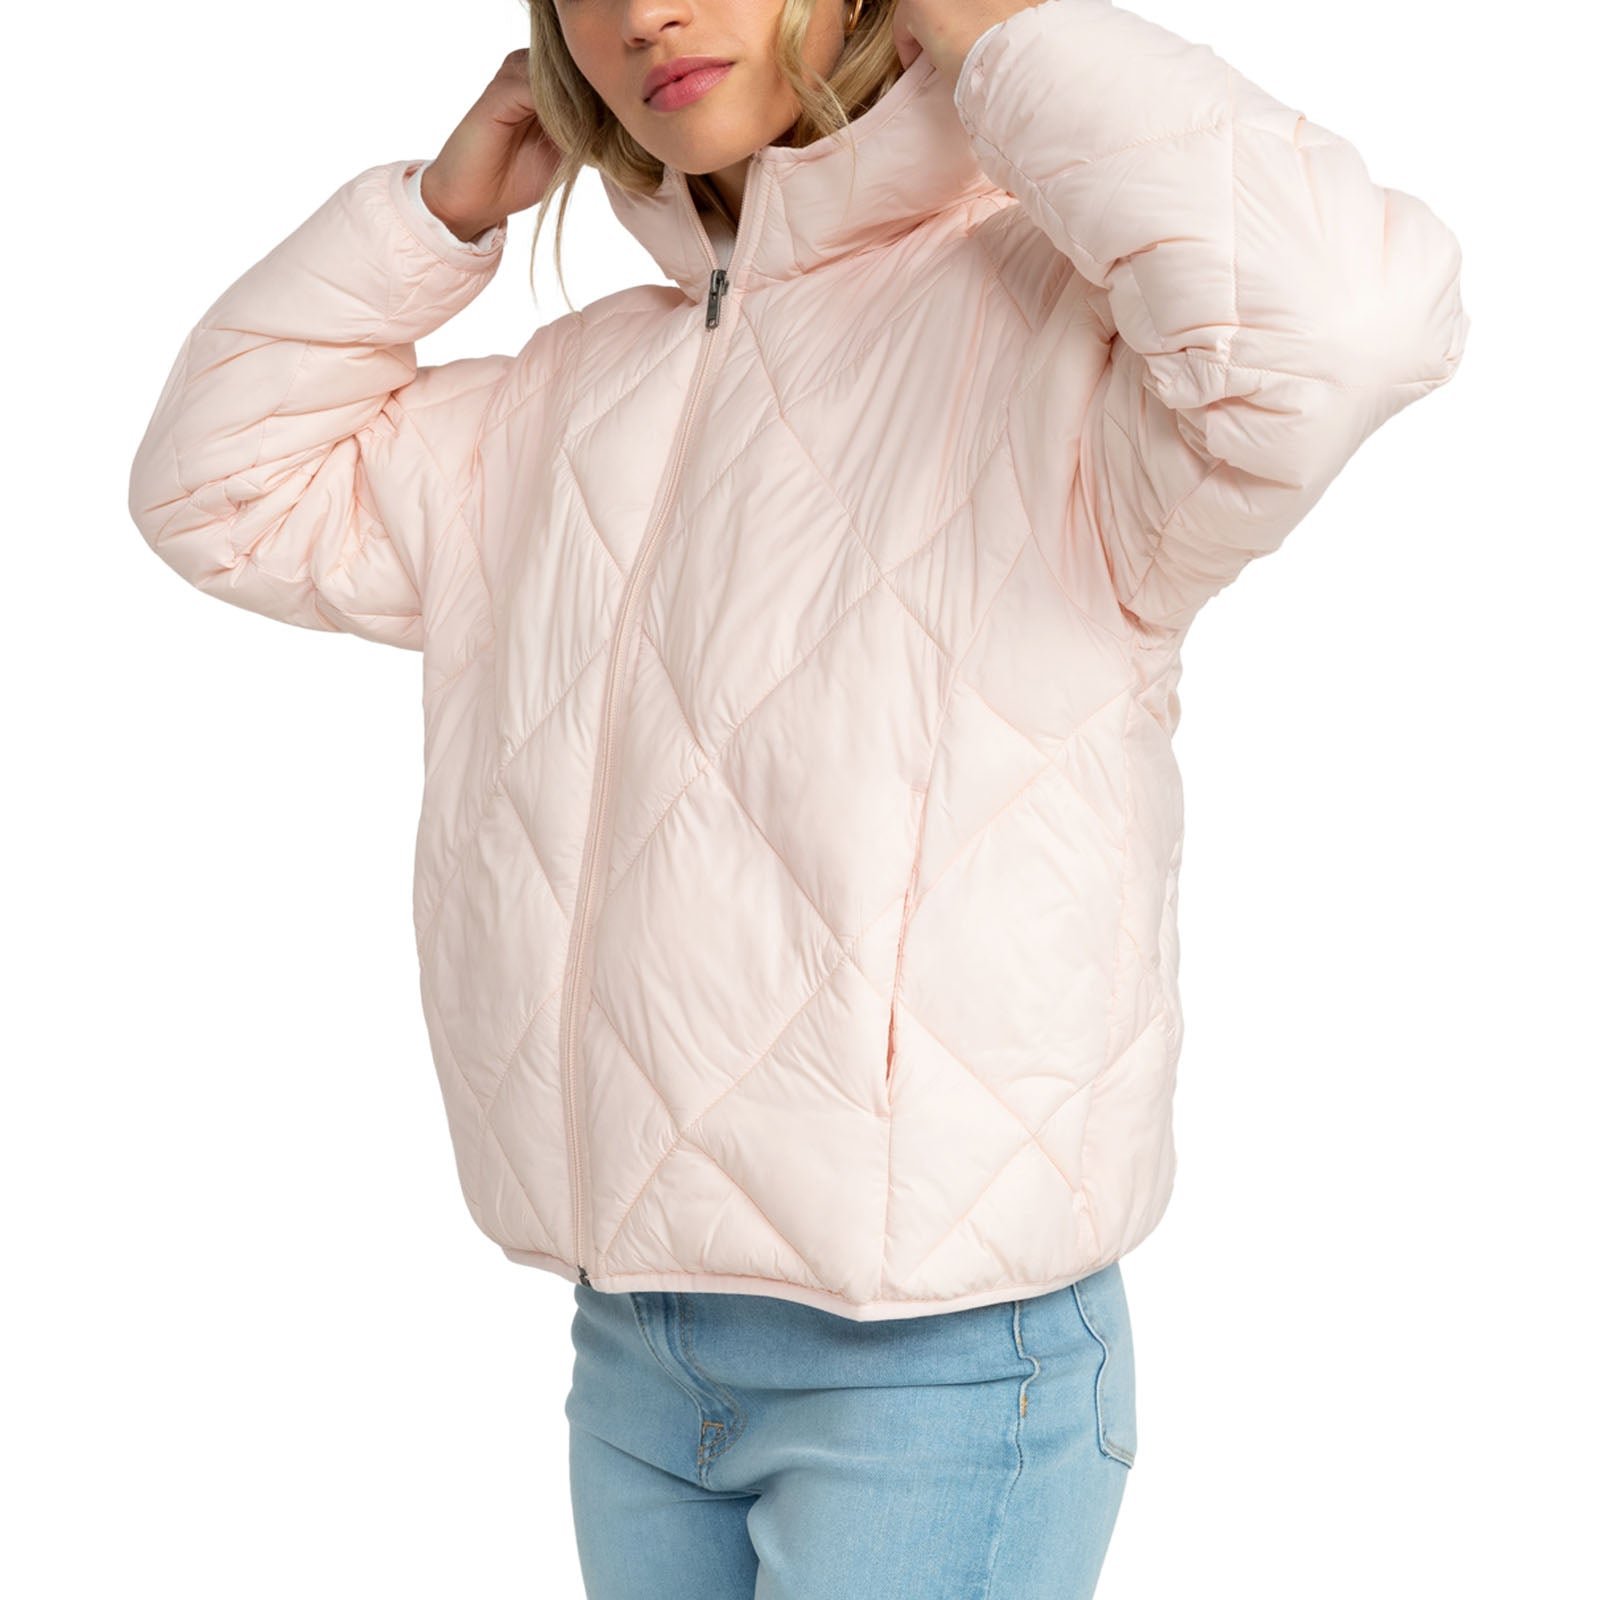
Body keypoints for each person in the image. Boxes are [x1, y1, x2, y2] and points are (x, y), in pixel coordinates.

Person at [126, 0, 1469, 1593]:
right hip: (636, 1351)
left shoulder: (1061, 334)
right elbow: (218, 489)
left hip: (938, 1372)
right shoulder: (565, 393)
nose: (644, 15)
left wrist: (1000, 35)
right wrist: (434, 219)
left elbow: (1347, 322)